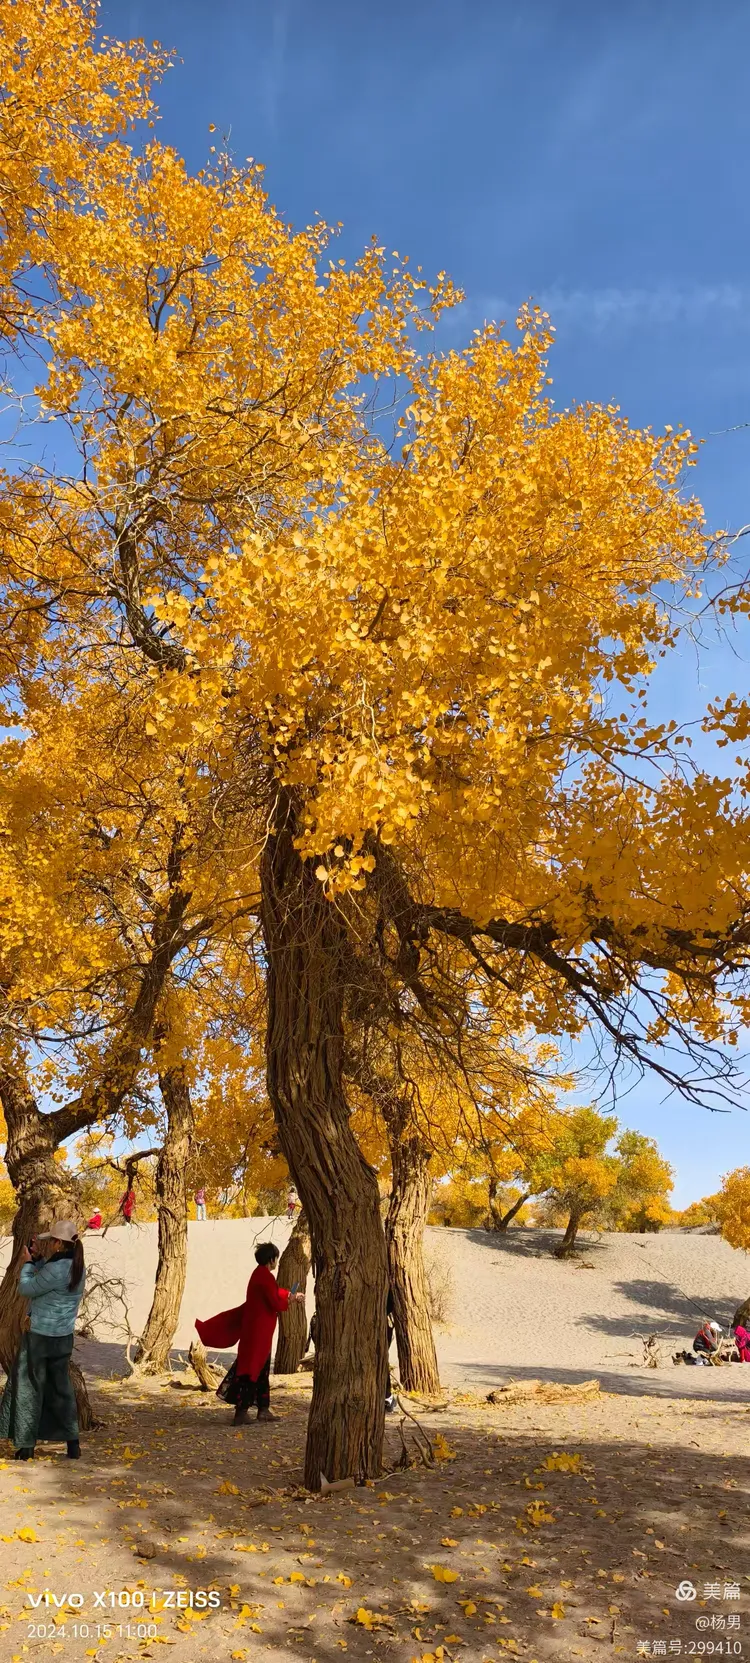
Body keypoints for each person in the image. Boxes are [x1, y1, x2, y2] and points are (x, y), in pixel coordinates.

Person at [0, 1220, 86, 1461]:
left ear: (58, 1243)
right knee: (62, 1389)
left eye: (51, 1242)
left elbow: (27, 1289)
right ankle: (73, 1443)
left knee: (29, 1388)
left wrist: (27, 1264)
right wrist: (38, 1260)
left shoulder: (56, 1269)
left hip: (40, 1337)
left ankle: (27, 1446)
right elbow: (49, 1282)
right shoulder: (77, 1267)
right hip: (63, 1338)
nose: (48, 1246)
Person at [195, 1242, 304, 1425]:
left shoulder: (260, 1275)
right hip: (257, 1333)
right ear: (271, 1260)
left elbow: (275, 1293)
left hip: (259, 1332)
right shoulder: (264, 1277)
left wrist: (287, 1295)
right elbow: (275, 1302)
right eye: (275, 1258)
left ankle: (263, 1409)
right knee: (251, 1371)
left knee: (260, 1372)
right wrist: (291, 1299)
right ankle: (241, 1412)